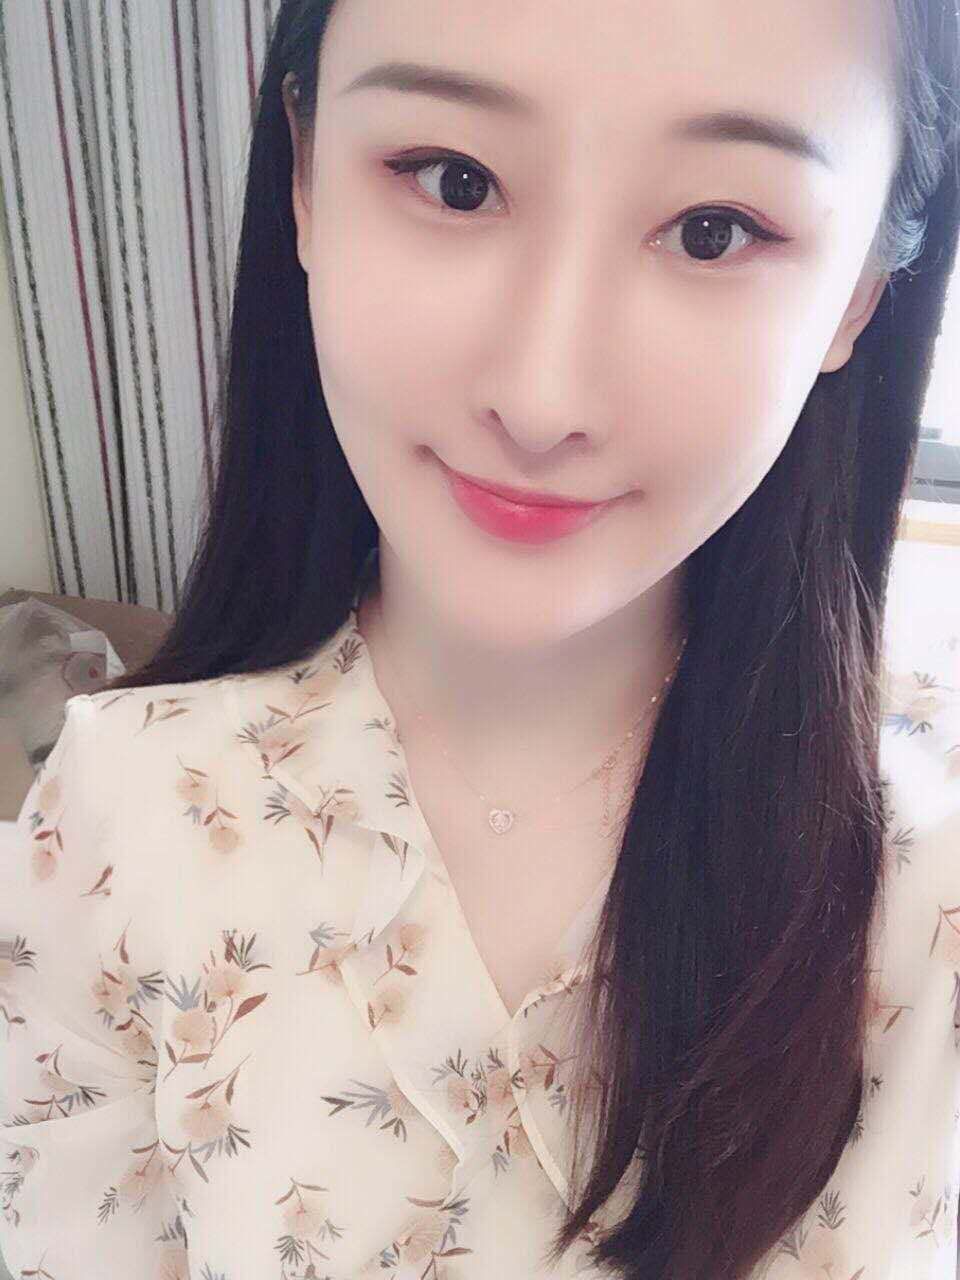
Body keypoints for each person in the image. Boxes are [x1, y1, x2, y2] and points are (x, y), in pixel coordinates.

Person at [1, 0, 959, 1276]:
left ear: (861, 296)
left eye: (714, 229)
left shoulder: (926, 873)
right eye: (454, 180)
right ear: (304, 175)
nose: (540, 396)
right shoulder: (118, 809)